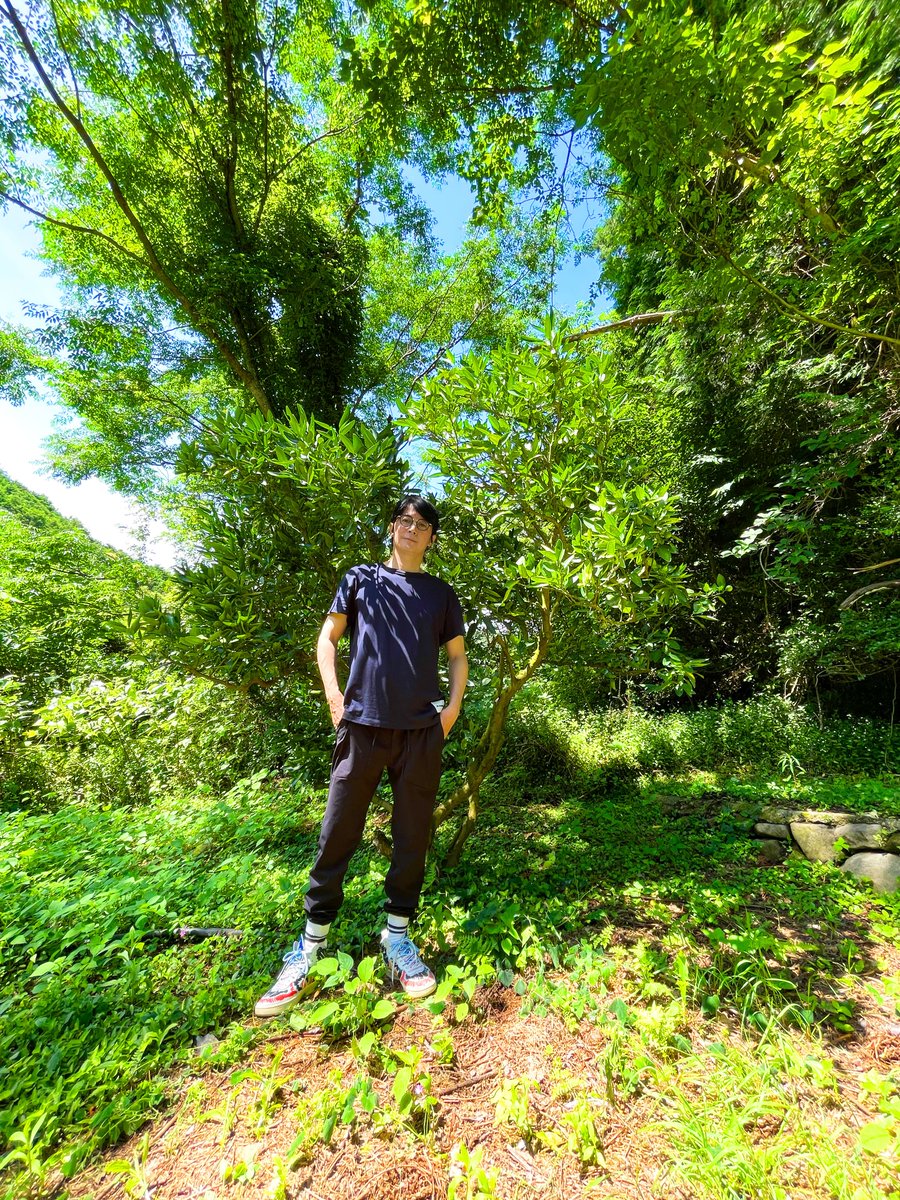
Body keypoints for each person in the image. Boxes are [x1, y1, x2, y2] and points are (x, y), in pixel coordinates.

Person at [255, 495, 468, 1017]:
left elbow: (457, 657)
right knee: (338, 831)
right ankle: (309, 946)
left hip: (420, 733)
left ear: (432, 538)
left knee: (412, 834)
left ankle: (398, 937)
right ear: (392, 527)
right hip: (362, 726)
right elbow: (328, 638)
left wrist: (452, 710)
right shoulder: (360, 579)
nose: (412, 529)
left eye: (422, 524)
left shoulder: (440, 594)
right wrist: (335, 697)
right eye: (405, 521)